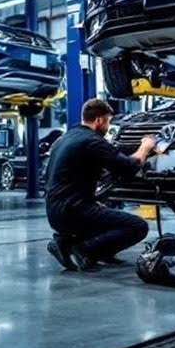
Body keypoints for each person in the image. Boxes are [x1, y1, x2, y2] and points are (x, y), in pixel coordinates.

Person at [45, 98, 155, 272]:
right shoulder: (93, 140)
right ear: (99, 120)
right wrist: (145, 148)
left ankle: (66, 242)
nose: (107, 127)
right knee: (137, 226)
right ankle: (83, 250)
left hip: (55, 212)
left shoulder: (64, 138)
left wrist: (89, 200)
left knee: (104, 212)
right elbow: (127, 167)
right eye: (108, 122)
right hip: (74, 212)